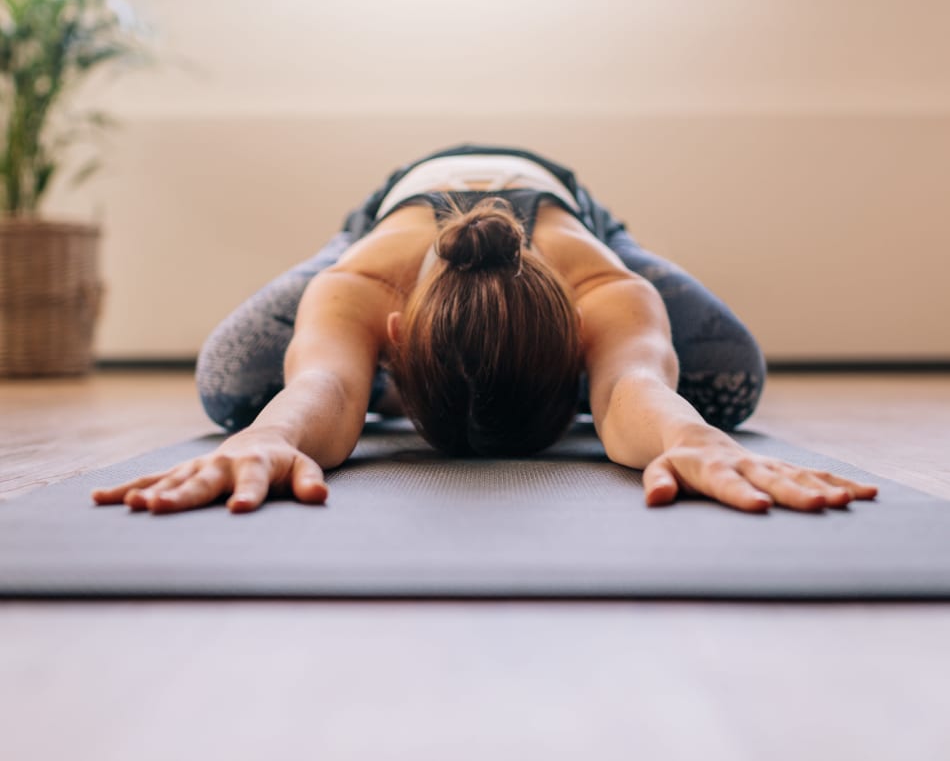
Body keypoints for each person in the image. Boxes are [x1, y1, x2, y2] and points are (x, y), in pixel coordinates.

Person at [92, 143, 877, 516]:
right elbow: (323, 387)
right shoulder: (363, 281)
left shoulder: (600, 283)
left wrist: (689, 436)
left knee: (727, 380)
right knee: (234, 387)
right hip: (393, 215)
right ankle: (455, 374)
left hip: (570, 211)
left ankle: (481, 374)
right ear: (391, 337)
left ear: (580, 339)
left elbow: (631, 386)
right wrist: (271, 434)